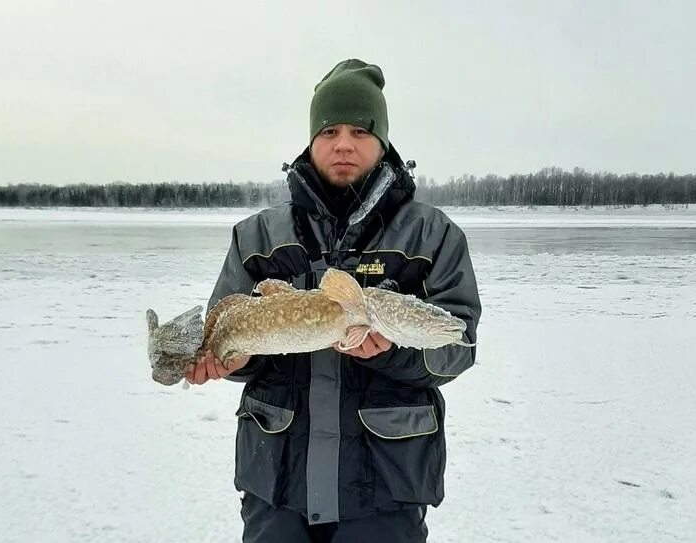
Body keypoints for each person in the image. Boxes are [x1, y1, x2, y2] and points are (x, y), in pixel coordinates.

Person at [185, 58, 482, 543]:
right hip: (276, 488)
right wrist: (226, 362)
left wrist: (393, 352)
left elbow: (460, 345)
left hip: (385, 490)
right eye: (329, 131)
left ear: (382, 141)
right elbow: (233, 347)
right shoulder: (257, 235)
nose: (344, 143)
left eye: (360, 131)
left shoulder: (434, 235)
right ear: (311, 141)